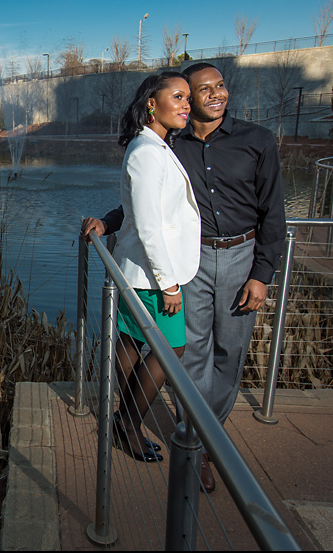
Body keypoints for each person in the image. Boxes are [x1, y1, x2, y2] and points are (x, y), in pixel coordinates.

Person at [81, 62, 286, 491]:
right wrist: (109, 221)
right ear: (164, 101)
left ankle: (185, 432)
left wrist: (262, 272)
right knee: (184, 352)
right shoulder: (171, 142)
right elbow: (145, 208)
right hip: (187, 262)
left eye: (219, 86)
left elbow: (273, 213)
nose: (213, 95)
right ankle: (195, 444)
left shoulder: (257, 140)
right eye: (196, 91)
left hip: (240, 257)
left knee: (230, 353)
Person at [100, 71, 201, 463]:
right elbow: (148, 225)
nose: (186, 104)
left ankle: (122, 420)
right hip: (151, 275)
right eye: (177, 96)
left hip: (139, 270)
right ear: (151, 104)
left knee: (129, 340)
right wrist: (169, 284)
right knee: (172, 348)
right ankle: (127, 425)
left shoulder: (153, 145)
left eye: (187, 98)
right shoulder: (146, 151)